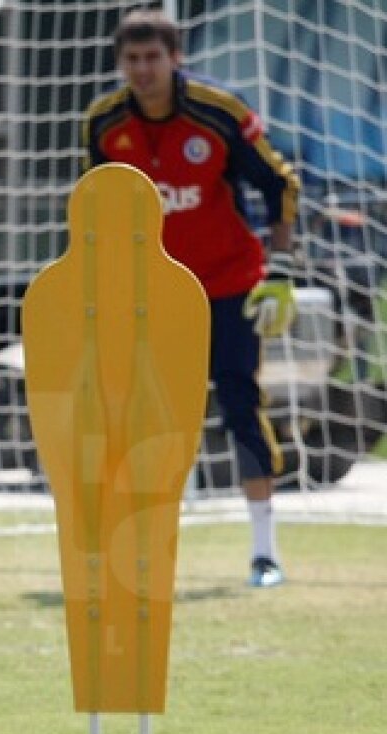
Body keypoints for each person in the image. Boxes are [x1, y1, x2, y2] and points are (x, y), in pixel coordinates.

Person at [83, 8, 302, 588]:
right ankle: (145, 547)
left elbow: (281, 185)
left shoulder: (218, 114)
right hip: (151, 292)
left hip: (229, 284)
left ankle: (265, 551)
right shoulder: (104, 125)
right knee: (146, 415)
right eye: (132, 59)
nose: (144, 70)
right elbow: (98, 209)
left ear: (176, 58)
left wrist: (280, 272)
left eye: (154, 57)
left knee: (239, 405)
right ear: (119, 64)